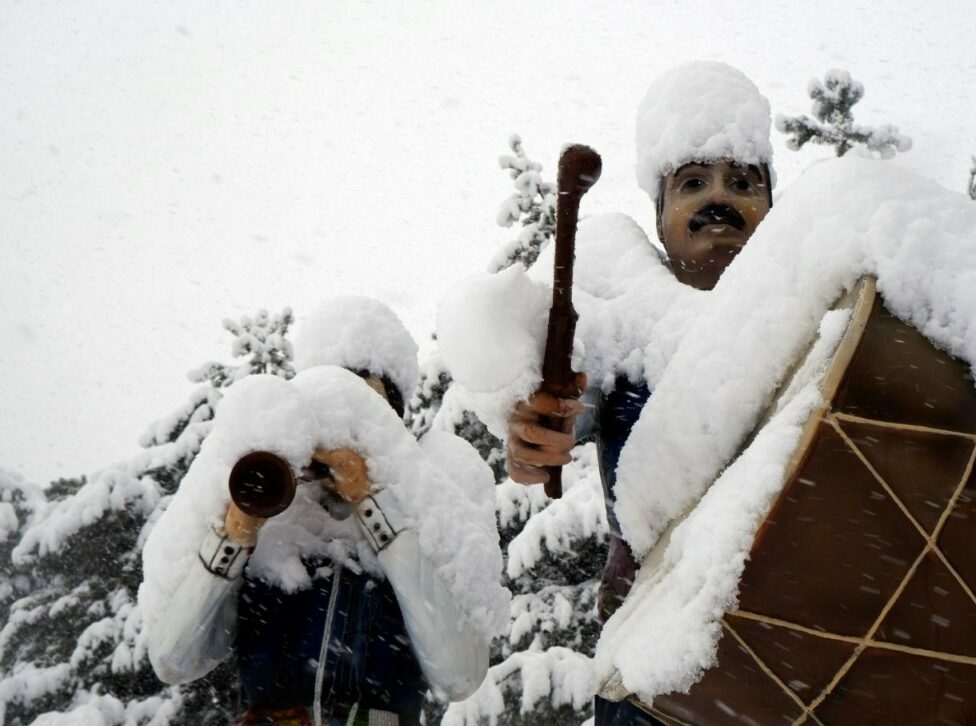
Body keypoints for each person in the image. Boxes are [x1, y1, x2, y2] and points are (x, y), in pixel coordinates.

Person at [503, 60, 774, 725]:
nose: (721, 198)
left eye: (743, 181)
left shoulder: (821, 321)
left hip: (796, 658)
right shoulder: (625, 325)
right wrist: (533, 437)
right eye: (693, 183)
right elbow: (560, 416)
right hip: (652, 672)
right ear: (660, 217)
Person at [140, 297, 497, 726]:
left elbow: (460, 674)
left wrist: (373, 500)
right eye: (328, 403)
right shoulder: (272, 492)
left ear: (392, 423)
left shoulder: (436, 481)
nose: (340, 424)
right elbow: (174, 660)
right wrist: (236, 530)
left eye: (364, 411)